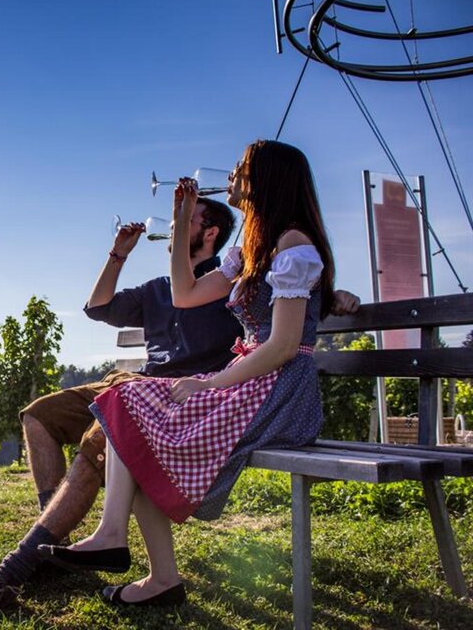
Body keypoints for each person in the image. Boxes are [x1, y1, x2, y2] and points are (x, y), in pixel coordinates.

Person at [0, 184, 358, 623]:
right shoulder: (169, 286)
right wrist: (120, 253)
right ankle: (57, 536)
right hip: (139, 382)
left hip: (193, 389)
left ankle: (26, 562)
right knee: (40, 415)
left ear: (212, 231)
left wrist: (332, 294)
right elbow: (98, 307)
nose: (172, 227)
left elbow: (287, 310)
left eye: (190, 219)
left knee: (113, 426)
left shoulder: (252, 274)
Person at [37, 139, 344, 608]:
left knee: (137, 419)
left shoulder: (294, 246)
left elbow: (282, 347)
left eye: (242, 171)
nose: (234, 179)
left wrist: (208, 383)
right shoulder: (250, 250)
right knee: (126, 405)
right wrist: (181, 224)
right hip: (250, 379)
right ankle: (119, 541)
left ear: (265, 181)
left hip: (279, 391)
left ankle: (137, 558)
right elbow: (185, 293)